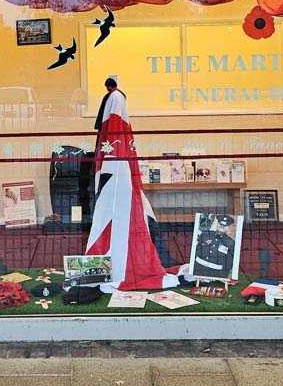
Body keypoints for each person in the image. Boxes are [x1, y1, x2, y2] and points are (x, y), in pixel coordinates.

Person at [85, 75, 189, 290]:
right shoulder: (115, 102)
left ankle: (130, 264)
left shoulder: (113, 102)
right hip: (115, 176)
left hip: (117, 176)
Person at [193, 215, 237, 280]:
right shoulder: (205, 234)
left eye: (224, 226)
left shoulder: (230, 243)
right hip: (198, 269)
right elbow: (195, 250)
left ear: (228, 227)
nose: (221, 227)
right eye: (220, 224)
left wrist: (222, 277)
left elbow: (229, 263)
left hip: (215, 274)